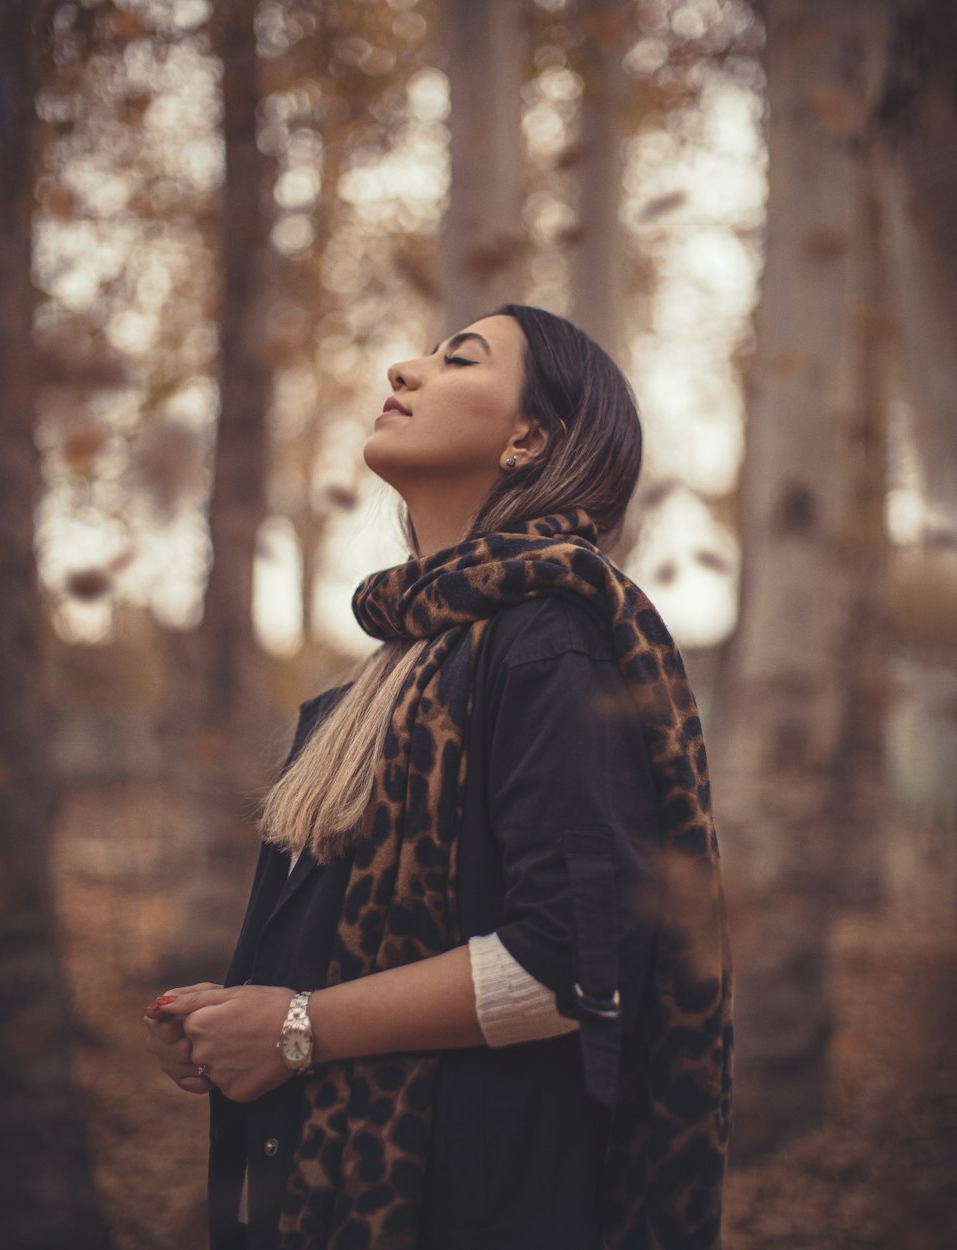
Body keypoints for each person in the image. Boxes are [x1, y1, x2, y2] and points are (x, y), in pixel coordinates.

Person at [145, 305, 733, 1250]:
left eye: (458, 359)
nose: (404, 369)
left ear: (529, 436)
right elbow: (341, 948)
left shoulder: (550, 638)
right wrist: (236, 1025)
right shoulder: (390, 668)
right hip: (330, 1188)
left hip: (471, 1198)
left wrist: (298, 1027)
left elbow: (566, 965)